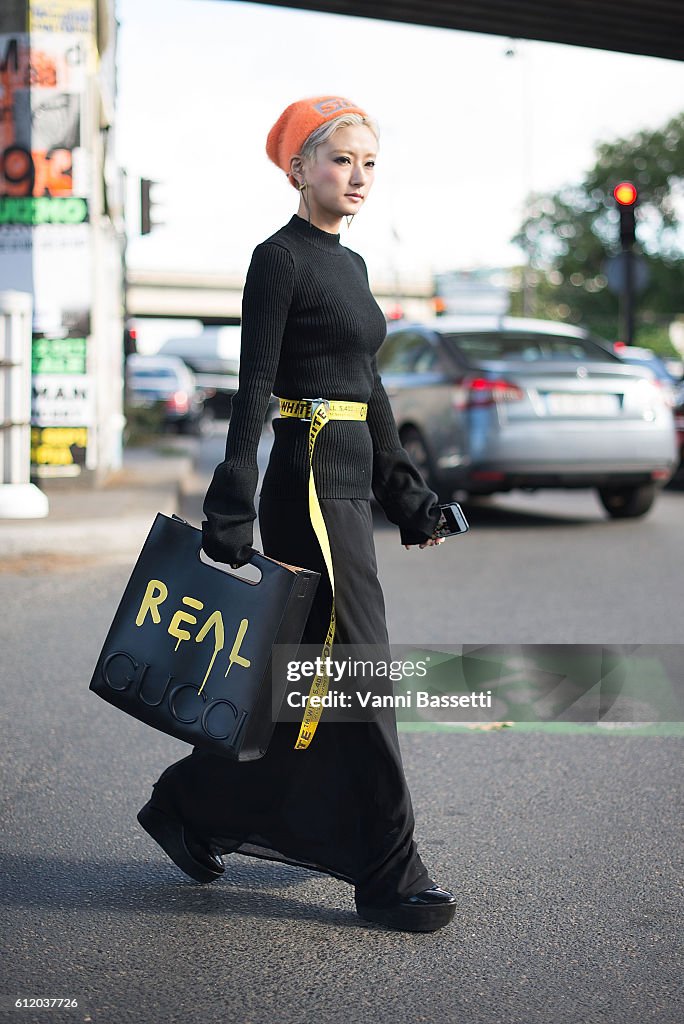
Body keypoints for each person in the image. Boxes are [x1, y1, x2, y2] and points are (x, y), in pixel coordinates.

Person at [137, 95, 456, 933]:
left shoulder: (347, 266)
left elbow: (368, 384)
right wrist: (233, 495)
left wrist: (408, 495)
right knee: (362, 674)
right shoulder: (277, 259)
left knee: (305, 686)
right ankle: (391, 873)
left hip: (348, 484)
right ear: (299, 167)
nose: (358, 177)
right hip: (307, 485)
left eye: (370, 162)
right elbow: (254, 384)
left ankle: (189, 806)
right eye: (342, 159)